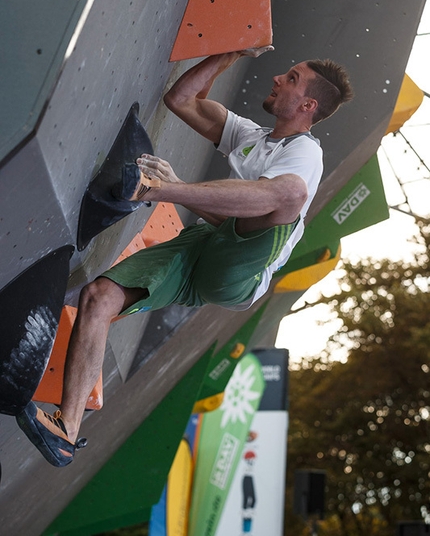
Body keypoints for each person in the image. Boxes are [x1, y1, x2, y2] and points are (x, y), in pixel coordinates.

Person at [16, 48, 353, 466]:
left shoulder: (306, 153)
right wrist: (231, 53)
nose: (278, 79)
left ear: (307, 105)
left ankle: (150, 191)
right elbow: (183, 100)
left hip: (242, 274)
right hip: (208, 243)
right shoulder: (253, 137)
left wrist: (168, 189)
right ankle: (66, 431)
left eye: (292, 78)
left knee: (289, 193)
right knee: (98, 297)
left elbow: (280, 201)